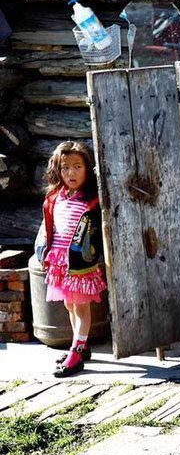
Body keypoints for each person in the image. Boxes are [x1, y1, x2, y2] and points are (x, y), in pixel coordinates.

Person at [35, 141, 106, 378]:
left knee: (81, 305)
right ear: (57, 169)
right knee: (68, 303)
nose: (71, 173)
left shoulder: (92, 200)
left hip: (80, 263)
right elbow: (50, 229)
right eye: (65, 167)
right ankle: (81, 346)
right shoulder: (56, 198)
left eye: (77, 166)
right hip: (59, 261)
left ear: (88, 168)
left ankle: (75, 354)